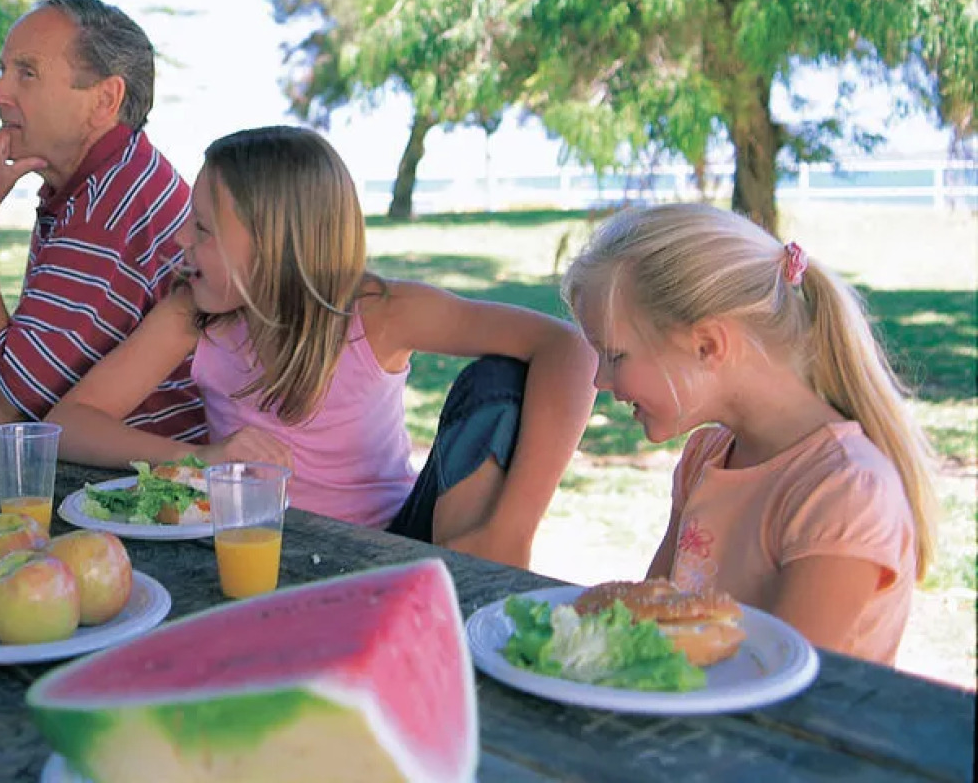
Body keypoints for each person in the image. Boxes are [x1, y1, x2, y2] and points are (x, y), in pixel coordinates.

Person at [45, 126, 597, 566]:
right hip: (266, 550)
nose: (181, 241)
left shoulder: (379, 312)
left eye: (203, 229)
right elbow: (69, 422)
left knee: (498, 379)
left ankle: (485, 558)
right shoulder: (193, 314)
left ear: (273, 242)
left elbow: (570, 350)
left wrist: (513, 526)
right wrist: (202, 460)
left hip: (398, 544)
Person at [561, 203, 938, 663]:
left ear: (707, 345)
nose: (600, 380)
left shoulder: (845, 491)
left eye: (615, 356)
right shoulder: (707, 455)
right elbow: (654, 620)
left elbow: (781, 675)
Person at [0, 0, 204, 437]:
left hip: (139, 495)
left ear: (105, 100)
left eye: (27, 73)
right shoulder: (107, 180)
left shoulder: (112, 207)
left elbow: (8, 417)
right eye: (3, 69)